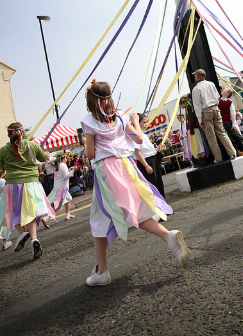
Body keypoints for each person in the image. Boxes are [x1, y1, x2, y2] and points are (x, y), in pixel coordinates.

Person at [81, 80, 188, 286]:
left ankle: (102, 272)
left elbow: (91, 153)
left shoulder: (89, 121)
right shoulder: (120, 117)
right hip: (126, 166)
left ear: (91, 99)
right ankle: (168, 236)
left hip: (106, 169)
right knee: (137, 208)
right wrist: (134, 121)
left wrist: (86, 143)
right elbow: (139, 139)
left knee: (100, 218)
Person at [0, 122, 55, 260]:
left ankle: (23, 233)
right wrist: (45, 153)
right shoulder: (32, 146)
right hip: (31, 183)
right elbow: (42, 158)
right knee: (31, 212)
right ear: (22, 132)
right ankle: (34, 238)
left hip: (13, 184)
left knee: (10, 211)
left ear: (9, 135)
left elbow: (1, 166)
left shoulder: (3, 150)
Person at [191, 69, 240, 164]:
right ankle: (232, 152)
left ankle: (218, 158)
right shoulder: (211, 84)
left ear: (197, 76)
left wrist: (200, 120)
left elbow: (197, 106)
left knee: (211, 136)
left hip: (206, 111)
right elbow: (218, 96)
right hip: (216, 108)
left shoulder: (196, 89)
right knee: (222, 132)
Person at [131, 113, 165, 198]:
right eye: (144, 122)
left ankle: (163, 205)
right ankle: (157, 207)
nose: (146, 124)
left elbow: (149, 150)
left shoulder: (144, 135)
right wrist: (146, 166)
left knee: (158, 183)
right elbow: (137, 152)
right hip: (146, 161)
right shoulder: (135, 135)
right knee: (152, 185)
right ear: (137, 122)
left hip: (152, 159)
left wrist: (157, 149)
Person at [219, 87, 243, 154]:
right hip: (223, 123)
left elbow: (233, 114)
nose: (222, 89)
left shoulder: (229, 102)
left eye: (225, 89)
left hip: (230, 122)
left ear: (228, 94)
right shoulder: (219, 101)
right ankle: (237, 151)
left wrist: (234, 124)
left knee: (238, 136)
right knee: (229, 138)